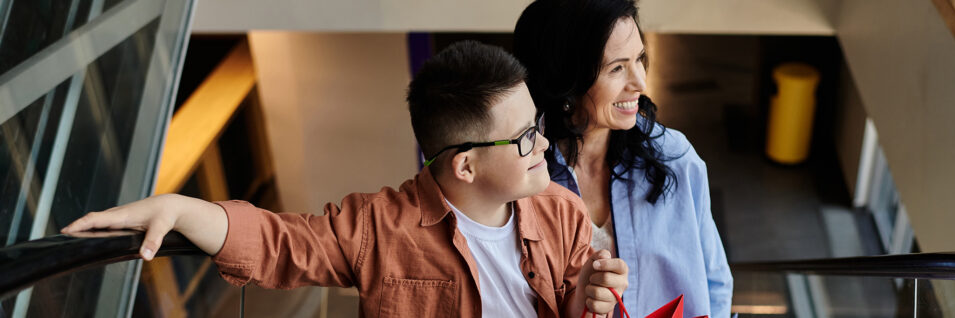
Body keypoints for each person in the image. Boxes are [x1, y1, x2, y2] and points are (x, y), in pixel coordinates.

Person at [62, 41, 627, 318]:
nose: (546, 146)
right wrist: (180, 208)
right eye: (526, 137)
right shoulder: (379, 227)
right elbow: (280, 244)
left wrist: (582, 307)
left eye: (539, 126)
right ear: (465, 165)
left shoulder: (562, 212)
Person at [513, 1, 734, 317]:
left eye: (639, 59)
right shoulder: (524, 178)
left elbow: (716, 281)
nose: (640, 83)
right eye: (617, 68)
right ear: (567, 78)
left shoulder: (675, 158)